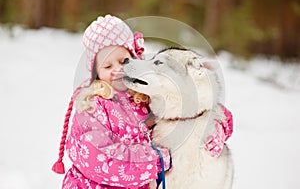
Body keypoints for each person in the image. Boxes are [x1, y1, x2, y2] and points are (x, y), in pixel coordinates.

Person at [52, 14, 233, 189]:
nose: (117, 70)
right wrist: (156, 161)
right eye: (107, 66)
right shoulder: (92, 106)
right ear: (95, 72)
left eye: (124, 61)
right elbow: (100, 159)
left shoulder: (143, 96)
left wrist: (215, 126)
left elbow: (195, 105)